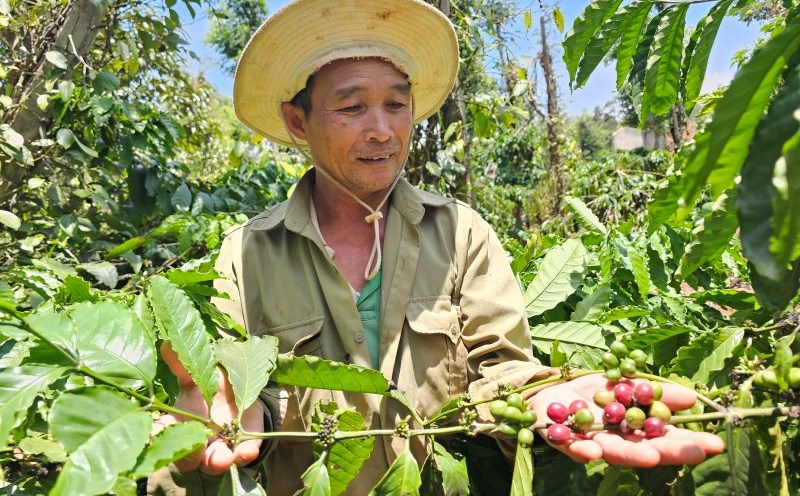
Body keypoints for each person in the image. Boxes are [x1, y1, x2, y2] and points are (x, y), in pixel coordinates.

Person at [148, 0, 724, 494]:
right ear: (298, 122)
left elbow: (500, 371)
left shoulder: (460, 234)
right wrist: (229, 410)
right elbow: (228, 395)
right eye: (352, 107)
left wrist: (545, 399)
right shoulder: (246, 254)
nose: (382, 130)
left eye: (396, 104)